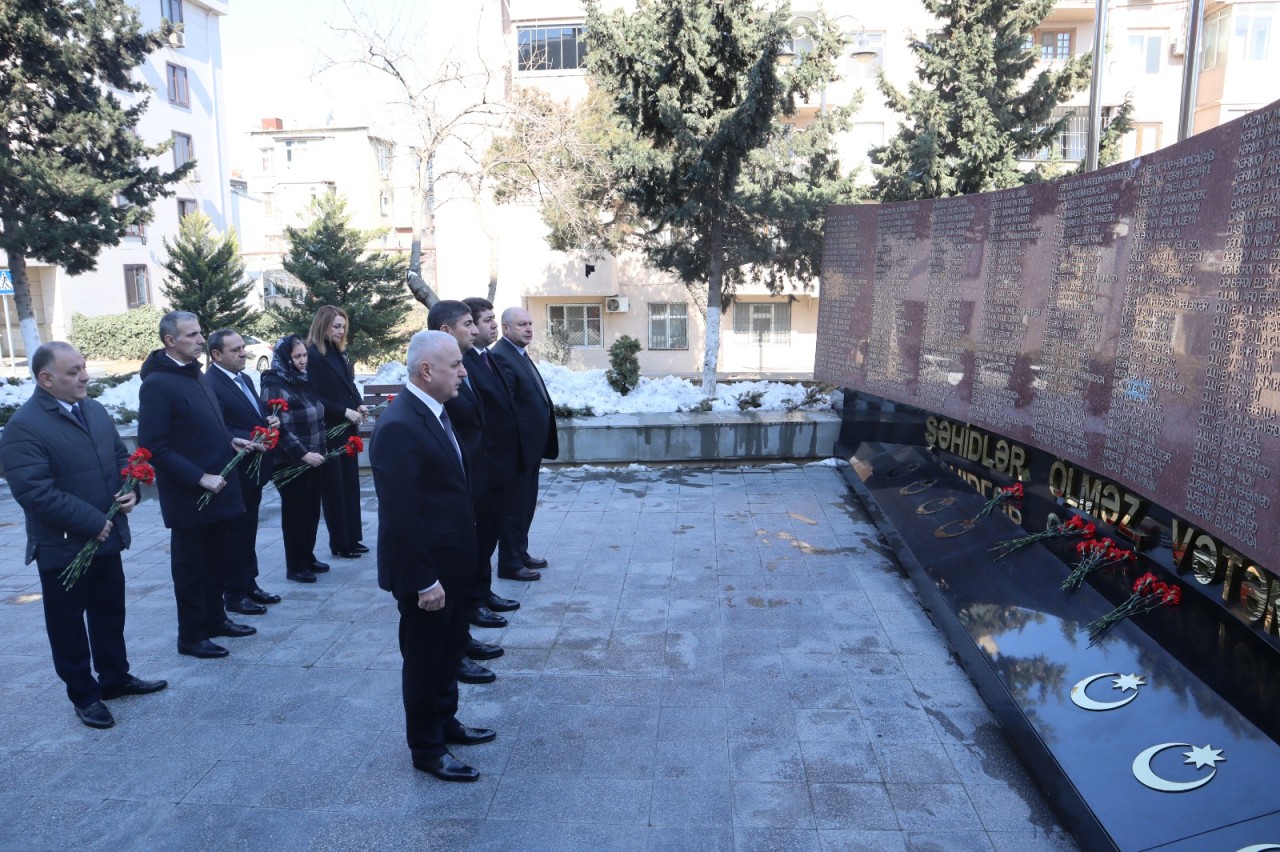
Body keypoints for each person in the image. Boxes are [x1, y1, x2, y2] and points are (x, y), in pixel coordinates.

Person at [0, 342, 167, 729]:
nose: (85, 376)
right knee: (68, 625)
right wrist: (92, 521)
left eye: (84, 368)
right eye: (73, 371)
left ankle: (115, 678)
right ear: (46, 379)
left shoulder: (93, 409)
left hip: (106, 538)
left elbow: (121, 456)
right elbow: (33, 491)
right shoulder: (23, 427)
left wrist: (131, 488)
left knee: (110, 612)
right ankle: (84, 694)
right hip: (63, 546)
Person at [370, 330, 496, 782]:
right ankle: (427, 749)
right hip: (427, 573)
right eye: (455, 365)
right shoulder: (400, 425)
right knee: (424, 662)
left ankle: (446, 722)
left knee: (447, 654)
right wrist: (424, 581)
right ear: (427, 371)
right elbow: (401, 516)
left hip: (453, 564)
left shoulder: (435, 411)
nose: (464, 371)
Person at [138, 311, 256, 659]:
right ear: (170, 341)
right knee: (192, 568)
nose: (201, 340)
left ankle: (215, 618)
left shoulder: (196, 375)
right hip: (191, 495)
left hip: (219, 486)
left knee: (218, 560)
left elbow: (207, 425)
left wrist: (230, 441)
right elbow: (153, 446)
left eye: (200, 333)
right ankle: (191, 635)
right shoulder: (158, 384)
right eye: (192, 335)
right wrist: (198, 477)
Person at [427, 301, 517, 686]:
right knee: (457, 573)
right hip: (459, 488)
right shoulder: (434, 383)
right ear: (447, 332)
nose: (474, 330)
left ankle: (461, 639)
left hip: (477, 478)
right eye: (467, 324)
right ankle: (454, 650)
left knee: (469, 565)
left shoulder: (465, 365)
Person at [205, 328, 281, 615]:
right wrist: (246, 435)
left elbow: (252, 414)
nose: (243, 353)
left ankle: (249, 583)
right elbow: (217, 427)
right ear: (216, 355)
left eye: (242, 348)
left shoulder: (245, 378)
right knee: (234, 534)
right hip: (234, 468)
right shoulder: (210, 383)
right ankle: (234, 593)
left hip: (254, 468)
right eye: (235, 350)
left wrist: (267, 422)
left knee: (248, 530)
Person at [462, 297, 536, 581]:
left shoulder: (487, 356)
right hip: (492, 456)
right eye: (485, 321)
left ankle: (485, 590)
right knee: (491, 526)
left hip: (510, 452)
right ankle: (487, 585)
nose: (492, 326)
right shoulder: (472, 360)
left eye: (493, 320)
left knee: (506, 517)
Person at [489, 307, 559, 579]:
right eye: (521, 324)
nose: (529, 328)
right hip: (517, 450)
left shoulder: (517, 353)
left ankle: (520, 552)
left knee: (525, 504)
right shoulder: (501, 357)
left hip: (529, 448)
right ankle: (510, 562)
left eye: (530, 323)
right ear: (506, 328)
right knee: (514, 507)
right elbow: (506, 407)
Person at [260, 336, 329, 584]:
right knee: (296, 515)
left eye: (304, 356)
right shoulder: (275, 383)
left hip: (312, 458)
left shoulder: (300, 380)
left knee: (311, 512)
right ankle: (296, 565)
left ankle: (307, 556)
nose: (302, 361)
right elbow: (279, 428)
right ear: (284, 358)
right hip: (290, 461)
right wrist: (303, 454)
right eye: (297, 357)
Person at [306, 305, 367, 560]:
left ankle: (353, 537)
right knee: (335, 488)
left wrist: (359, 403)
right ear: (323, 326)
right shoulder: (313, 355)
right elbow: (313, 395)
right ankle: (340, 543)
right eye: (336, 326)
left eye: (343, 326)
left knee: (351, 485)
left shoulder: (338, 353)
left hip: (347, 427)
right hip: (329, 430)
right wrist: (344, 411)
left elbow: (349, 384)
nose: (341, 331)